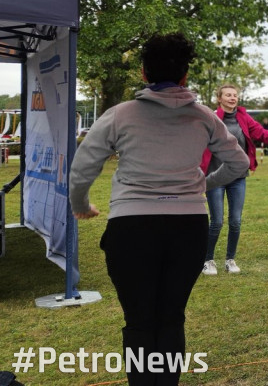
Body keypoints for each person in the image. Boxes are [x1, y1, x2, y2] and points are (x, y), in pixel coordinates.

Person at [69, 33, 250, 386]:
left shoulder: (119, 115)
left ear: (142, 73)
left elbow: (83, 166)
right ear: (184, 76)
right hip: (188, 228)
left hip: (132, 228)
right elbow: (238, 163)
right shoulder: (203, 117)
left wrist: (80, 204)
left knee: (139, 321)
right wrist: (202, 184)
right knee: (171, 317)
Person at [200, 84, 268, 275]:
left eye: (235, 95)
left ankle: (230, 260)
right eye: (228, 95)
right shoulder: (211, 117)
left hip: (237, 176)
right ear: (220, 98)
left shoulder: (243, 117)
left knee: (235, 221)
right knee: (217, 221)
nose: (232, 98)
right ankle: (208, 260)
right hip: (215, 177)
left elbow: (261, 133)